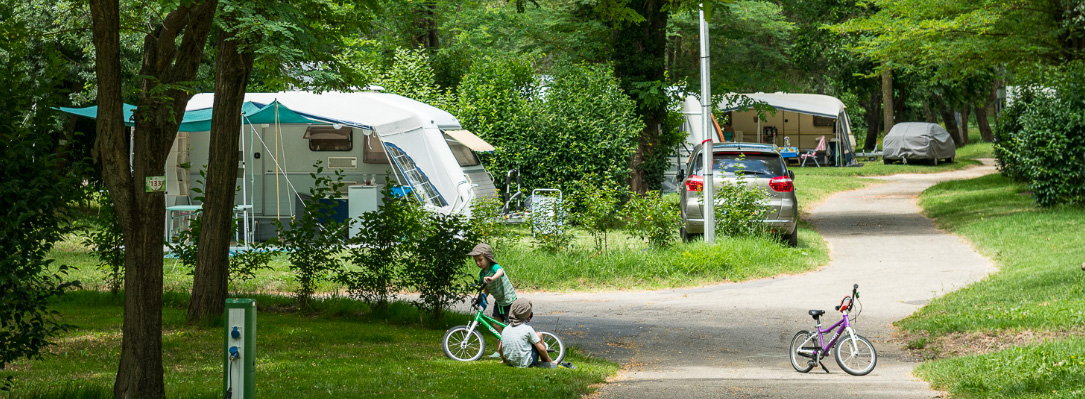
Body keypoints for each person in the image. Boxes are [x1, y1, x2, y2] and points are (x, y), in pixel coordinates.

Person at [497, 298, 560, 368]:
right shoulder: (527, 329)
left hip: (511, 362)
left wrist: (504, 360)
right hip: (527, 363)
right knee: (538, 335)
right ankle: (546, 361)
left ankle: (510, 360)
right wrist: (550, 361)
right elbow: (541, 349)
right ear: (528, 315)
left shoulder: (506, 329)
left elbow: (500, 348)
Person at [468, 243, 517, 324]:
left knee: (512, 326)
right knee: (495, 324)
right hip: (499, 302)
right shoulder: (482, 274)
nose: (478, 263)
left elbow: (500, 271)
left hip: (510, 301)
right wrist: (481, 298)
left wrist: (493, 278)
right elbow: (486, 289)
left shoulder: (494, 267)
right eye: (476, 260)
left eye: (480, 260)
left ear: (487, 258)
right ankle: (500, 337)